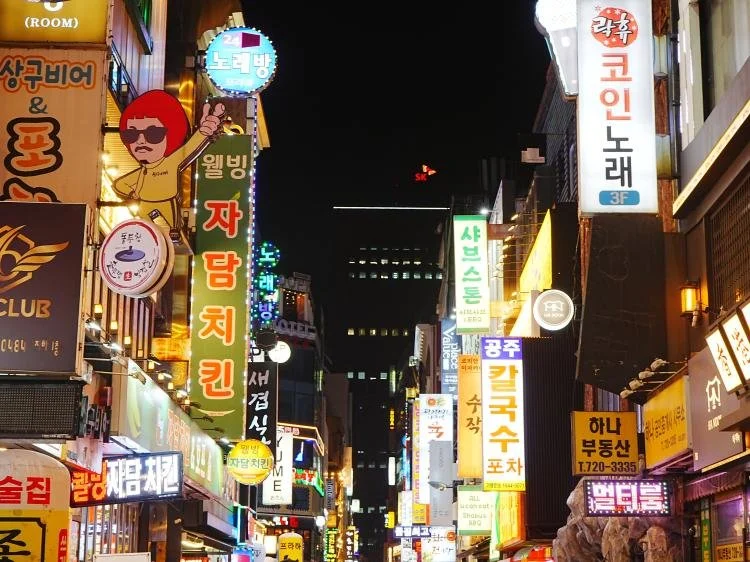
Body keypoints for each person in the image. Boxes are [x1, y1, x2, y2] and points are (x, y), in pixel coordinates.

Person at [113, 89, 225, 233]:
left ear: (172, 135)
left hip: (167, 201)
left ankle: (173, 231)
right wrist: (131, 194)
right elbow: (120, 184)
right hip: (145, 203)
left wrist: (203, 132)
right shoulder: (140, 173)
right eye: (132, 134)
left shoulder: (171, 162)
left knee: (172, 224)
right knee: (145, 230)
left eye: (153, 134)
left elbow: (190, 148)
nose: (141, 141)